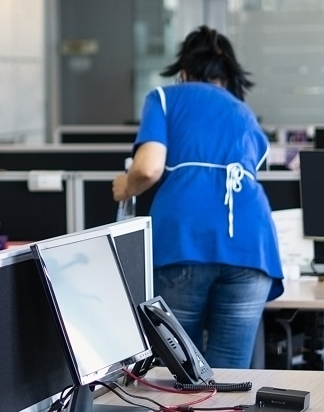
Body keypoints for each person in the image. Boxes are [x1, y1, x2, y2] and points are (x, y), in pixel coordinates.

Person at [112, 25, 283, 369]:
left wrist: (125, 187)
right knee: (228, 373)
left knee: (180, 372)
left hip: (185, 239)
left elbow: (148, 169)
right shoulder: (244, 114)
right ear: (228, 76)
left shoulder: (164, 98)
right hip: (253, 247)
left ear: (184, 71)